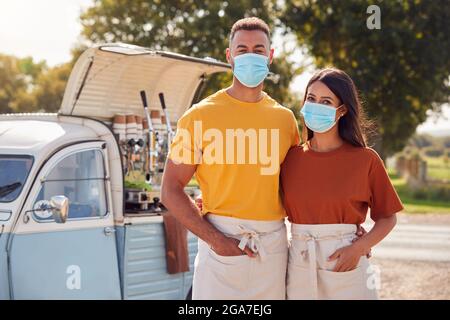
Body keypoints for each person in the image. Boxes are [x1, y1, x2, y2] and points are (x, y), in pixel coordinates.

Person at [161, 17, 299, 299]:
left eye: (259, 50)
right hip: (219, 245)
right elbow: (170, 190)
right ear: (229, 56)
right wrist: (218, 241)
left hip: (272, 248)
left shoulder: (285, 120)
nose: (251, 56)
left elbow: (299, 191)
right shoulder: (199, 116)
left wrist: (348, 230)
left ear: (270, 56)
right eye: (242, 49)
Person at [281, 67, 403, 300]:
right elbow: (263, 198)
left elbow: (388, 217)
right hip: (299, 260)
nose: (316, 105)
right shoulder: (289, 159)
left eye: (326, 101)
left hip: (346, 263)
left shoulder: (366, 159)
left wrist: (358, 247)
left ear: (342, 110)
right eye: (311, 98)